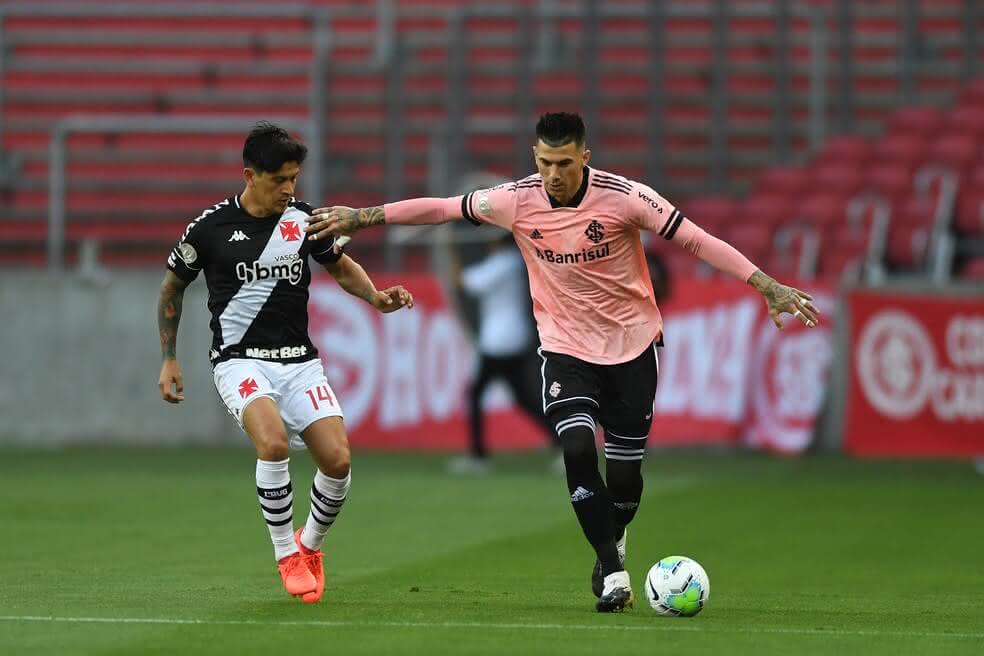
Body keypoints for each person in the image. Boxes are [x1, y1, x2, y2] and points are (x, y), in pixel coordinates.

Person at [303, 112, 819, 612]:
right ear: (535, 157)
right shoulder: (515, 200)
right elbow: (441, 209)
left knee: (625, 484)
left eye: (565, 163)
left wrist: (766, 286)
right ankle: (611, 572)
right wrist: (361, 216)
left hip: (634, 348)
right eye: (546, 162)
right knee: (575, 447)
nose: (554, 173)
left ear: (584, 158)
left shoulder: (626, 199)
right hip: (566, 349)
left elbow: (697, 240)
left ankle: (615, 537)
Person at [157, 122, 414, 603]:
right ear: (250, 176)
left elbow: (339, 266)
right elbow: (173, 286)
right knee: (272, 444)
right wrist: (169, 358)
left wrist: (377, 298)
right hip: (239, 361)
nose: (289, 189)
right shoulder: (210, 228)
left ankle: (310, 544)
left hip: (299, 362)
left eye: (294, 178)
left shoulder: (302, 219)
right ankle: (285, 555)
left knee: (337, 460)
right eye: (280, 180)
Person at [448, 233, 560, 475]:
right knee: (524, 398)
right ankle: (564, 444)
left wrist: (450, 252)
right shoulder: (513, 261)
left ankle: (478, 456)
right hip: (509, 338)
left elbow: (465, 283)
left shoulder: (503, 262)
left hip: (500, 341)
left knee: (476, 394)